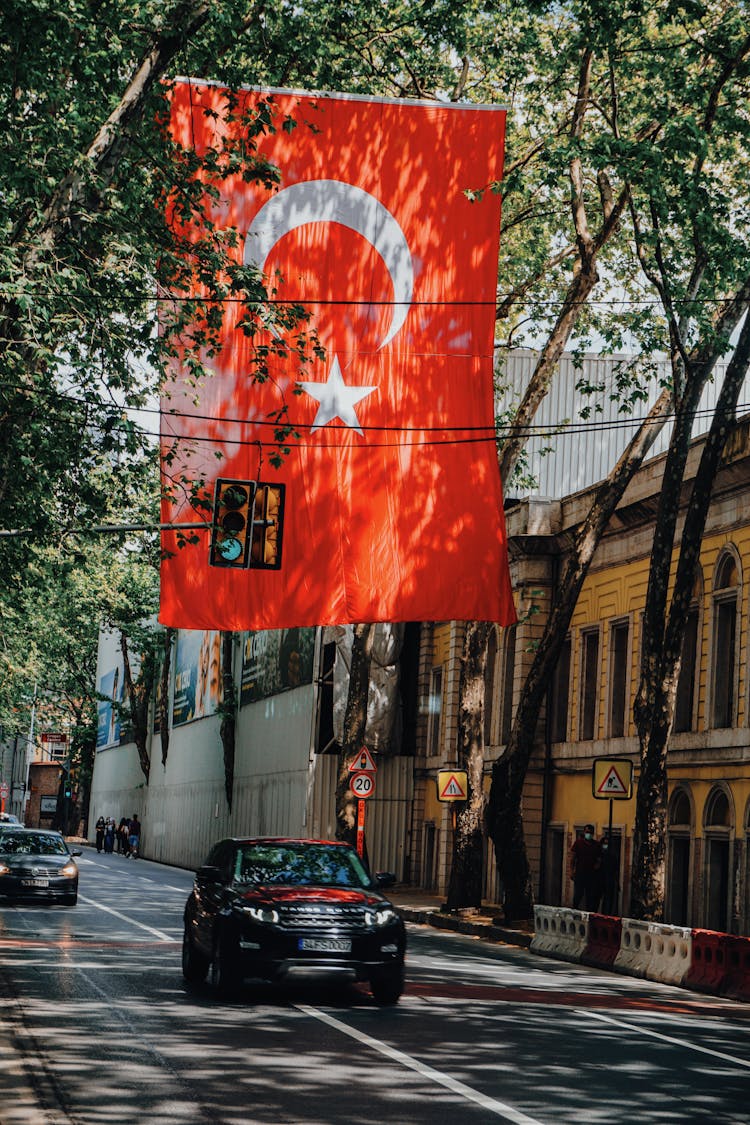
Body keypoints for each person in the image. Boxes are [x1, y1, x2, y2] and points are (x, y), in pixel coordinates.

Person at [570, 824, 601, 910]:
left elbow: (599, 860)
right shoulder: (578, 843)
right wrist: (572, 871)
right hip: (580, 873)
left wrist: (596, 867)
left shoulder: (596, 845)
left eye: (591, 832)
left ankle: (588, 913)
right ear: (584, 832)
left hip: (591, 875)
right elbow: (573, 858)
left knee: (590, 896)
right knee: (578, 894)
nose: (589, 834)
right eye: (587, 832)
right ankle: (574, 910)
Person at [600, 834, 621, 915]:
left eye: (607, 844)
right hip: (599, 880)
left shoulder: (612, 857)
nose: (605, 846)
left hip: (609, 880)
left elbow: (615, 870)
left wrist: (617, 882)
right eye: (604, 844)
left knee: (608, 899)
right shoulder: (599, 855)